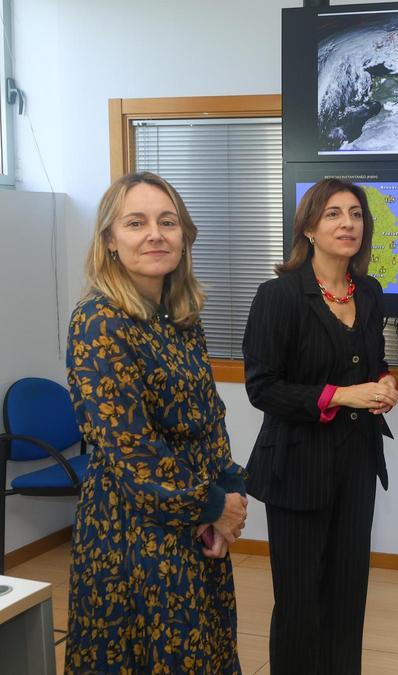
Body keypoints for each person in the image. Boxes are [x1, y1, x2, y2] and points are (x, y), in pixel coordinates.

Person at [65, 172, 248, 673]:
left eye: (168, 222)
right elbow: (132, 450)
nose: (155, 234)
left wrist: (230, 491)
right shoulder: (99, 321)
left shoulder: (182, 316)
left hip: (195, 522)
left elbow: (210, 415)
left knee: (202, 651)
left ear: (184, 236)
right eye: (136, 222)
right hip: (133, 535)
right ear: (110, 239)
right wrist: (214, 505)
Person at [243, 178, 398, 674]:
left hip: (357, 463)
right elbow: (262, 387)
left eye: (355, 214)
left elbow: (372, 364)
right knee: (299, 603)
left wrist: (384, 383)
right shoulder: (279, 296)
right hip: (297, 468)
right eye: (333, 213)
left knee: (348, 594)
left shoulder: (369, 293)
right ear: (309, 226)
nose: (347, 223)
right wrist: (340, 395)